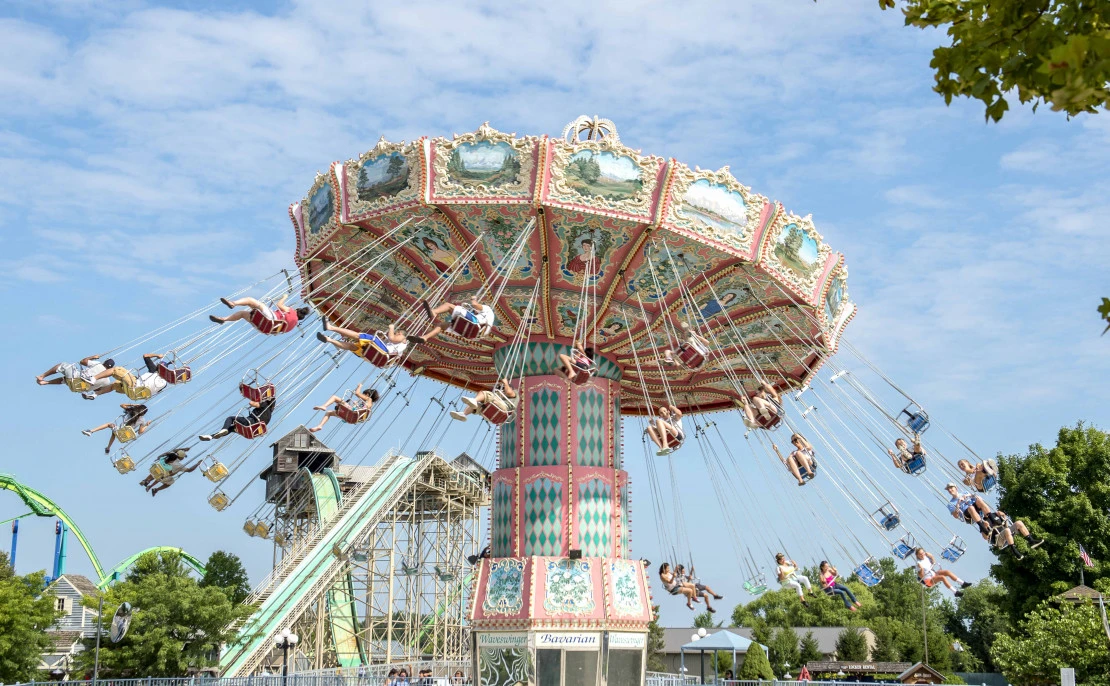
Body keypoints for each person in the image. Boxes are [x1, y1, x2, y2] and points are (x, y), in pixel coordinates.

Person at [82, 352, 170, 400]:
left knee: (115, 370)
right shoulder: (164, 384)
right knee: (114, 385)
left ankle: (93, 379)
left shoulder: (154, 370)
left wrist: (158, 355)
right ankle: (95, 394)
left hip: (134, 385)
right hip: (135, 395)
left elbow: (145, 356)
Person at [318, 319, 410, 364]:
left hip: (382, 350)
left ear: (401, 333)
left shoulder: (403, 339)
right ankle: (329, 339)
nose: (395, 333)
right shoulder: (399, 348)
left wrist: (391, 328)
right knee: (351, 346)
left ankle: (330, 327)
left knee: (358, 335)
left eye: (397, 332)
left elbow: (392, 338)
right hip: (376, 354)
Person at [210, 293, 310, 333]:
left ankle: (233, 303)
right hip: (264, 328)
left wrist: (284, 297)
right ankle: (223, 320)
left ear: (297, 310)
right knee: (242, 314)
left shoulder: (292, 311)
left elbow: (279, 305)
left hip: (271, 318)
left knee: (250, 300)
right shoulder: (292, 326)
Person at [412, 297, 496, 344]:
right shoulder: (490, 321)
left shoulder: (487, 309)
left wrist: (474, 299)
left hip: (474, 323)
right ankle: (425, 337)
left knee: (449, 306)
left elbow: (475, 305)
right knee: (441, 325)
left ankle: (434, 312)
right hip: (468, 334)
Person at [199, 396, 276, 441]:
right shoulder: (269, 416)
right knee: (232, 428)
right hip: (253, 431)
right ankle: (211, 436)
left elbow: (251, 403)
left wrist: (257, 399)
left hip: (250, 422)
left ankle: (224, 429)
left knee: (231, 418)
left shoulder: (265, 405)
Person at [83, 403, 150, 454]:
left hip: (120, 430)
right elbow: (140, 432)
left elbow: (121, 405)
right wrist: (147, 425)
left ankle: (91, 431)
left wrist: (134, 405)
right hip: (126, 436)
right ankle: (108, 448)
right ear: (144, 413)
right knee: (114, 433)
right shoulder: (143, 420)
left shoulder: (131, 412)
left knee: (109, 424)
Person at [311, 384, 379, 431]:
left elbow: (357, 393)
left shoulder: (368, 399)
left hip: (352, 413)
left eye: (363, 394)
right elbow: (360, 411)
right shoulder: (368, 405)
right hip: (352, 419)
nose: (362, 396)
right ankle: (320, 426)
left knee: (335, 397)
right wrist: (355, 405)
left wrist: (359, 386)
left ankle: (324, 406)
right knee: (329, 412)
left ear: (367, 394)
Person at [37, 355, 116, 394]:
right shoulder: (107, 381)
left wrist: (93, 357)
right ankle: (45, 382)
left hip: (76, 379)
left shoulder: (98, 364)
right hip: (78, 389)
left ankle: (42, 376)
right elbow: (97, 389)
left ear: (104, 363)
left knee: (63, 365)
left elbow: (82, 361)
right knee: (65, 379)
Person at [452, 379, 518, 422]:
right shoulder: (500, 395)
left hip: (504, 408)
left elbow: (509, 392)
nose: (502, 390)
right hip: (495, 411)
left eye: (503, 388)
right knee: (477, 405)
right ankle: (464, 414)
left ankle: (474, 400)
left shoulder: (514, 393)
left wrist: (505, 383)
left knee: (486, 394)